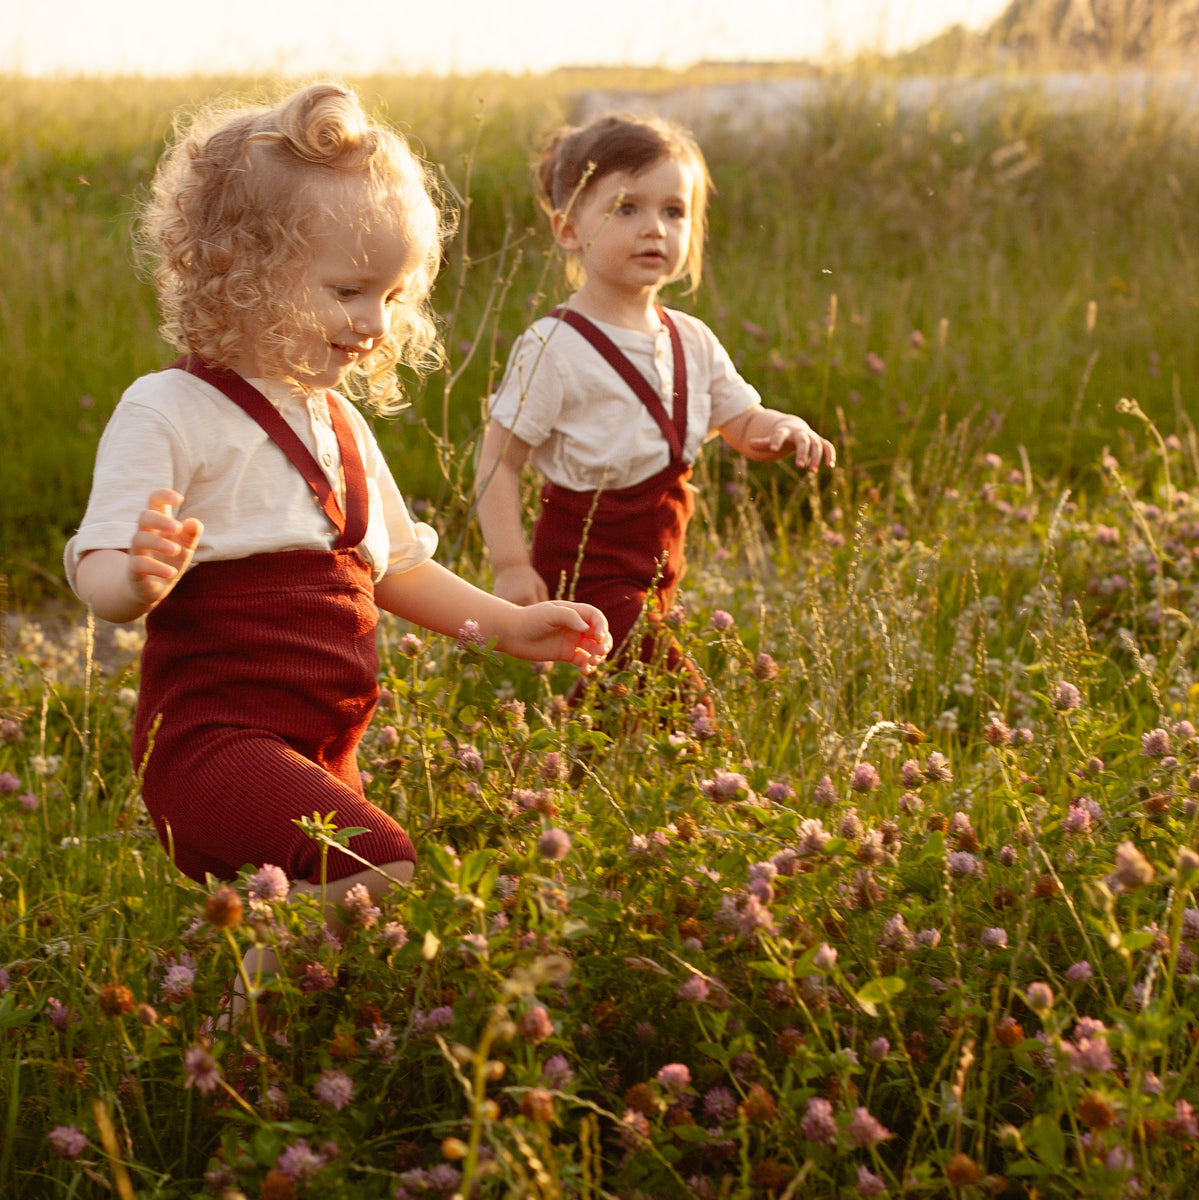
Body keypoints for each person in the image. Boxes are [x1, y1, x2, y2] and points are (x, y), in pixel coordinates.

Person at [65, 82, 610, 946]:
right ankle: (226, 1012)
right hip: (214, 747)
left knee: (331, 922)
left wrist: (509, 624)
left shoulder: (340, 424)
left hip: (325, 749)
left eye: (393, 298)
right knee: (377, 869)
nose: (374, 324)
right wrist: (133, 578)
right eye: (351, 291)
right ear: (240, 273)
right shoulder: (168, 407)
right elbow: (95, 570)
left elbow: (397, 570)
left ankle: (234, 1005)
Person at [475, 113, 835, 708]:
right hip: (588, 562)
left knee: (621, 704)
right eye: (626, 209)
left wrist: (781, 430)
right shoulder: (554, 345)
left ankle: (560, 777)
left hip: (660, 560)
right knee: (674, 702)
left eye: (674, 211)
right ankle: (705, 775)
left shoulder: (691, 339)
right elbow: (499, 461)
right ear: (568, 230)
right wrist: (511, 564)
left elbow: (740, 422)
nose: (655, 229)